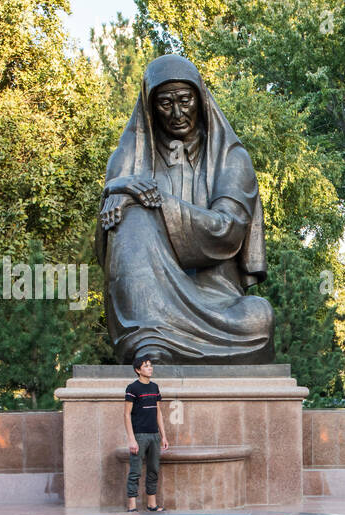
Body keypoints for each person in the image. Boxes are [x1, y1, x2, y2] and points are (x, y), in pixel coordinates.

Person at [96, 54, 273, 364]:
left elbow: (227, 230)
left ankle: (165, 339)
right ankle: (150, 340)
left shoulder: (231, 158)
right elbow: (110, 244)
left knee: (258, 316)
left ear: (200, 100)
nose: (177, 113)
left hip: (217, 298)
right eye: (165, 103)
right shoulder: (129, 158)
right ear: (151, 108)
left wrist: (158, 200)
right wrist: (118, 191)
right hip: (149, 300)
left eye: (185, 100)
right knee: (129, 216)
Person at [124, 356, 170, 512]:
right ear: (138, 370)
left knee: (153, 470)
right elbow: (126, 414)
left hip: (154, 435)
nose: (150, 368)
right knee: (135, 471)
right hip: (139, 436)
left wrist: (163, 435)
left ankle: (152, 504)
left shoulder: (154, 387)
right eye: (146, 366)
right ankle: (132, 506)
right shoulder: (132, 388)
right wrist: (131, 439)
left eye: (150, 365)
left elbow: (158, 412)